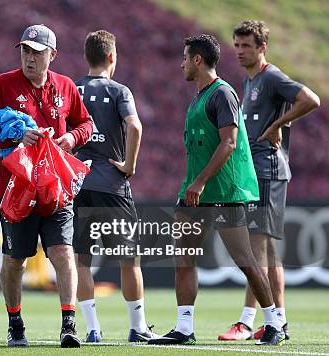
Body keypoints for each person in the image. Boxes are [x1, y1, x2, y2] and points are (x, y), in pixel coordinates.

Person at [148, 34, 285, 346]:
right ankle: (184, 328)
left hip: (223, 192)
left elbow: (229, 142)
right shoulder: (199, 96)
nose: (181, 64)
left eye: (185, 58)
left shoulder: (223, 94)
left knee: (244, 259)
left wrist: (200, 182)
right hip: (195, 192)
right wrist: (192, 185)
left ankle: (274, 323)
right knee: (184, 256)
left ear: (198, 60)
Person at [0, 24, 93, 348]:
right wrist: (14, 135)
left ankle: (69, 323)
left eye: (37, 52)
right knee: (16, 261)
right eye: (25, 51)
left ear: (52, 56)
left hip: (55, 188)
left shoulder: (67, 87)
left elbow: (86, 124)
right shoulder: (3, 84)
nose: (30, 58)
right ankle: (15, 322)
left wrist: (71, 137)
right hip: (16, 190)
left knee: (63, 252)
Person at [218, 20, 320, 342]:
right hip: (259, 170)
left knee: (255, 249)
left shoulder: (272, 77)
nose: (239, 51)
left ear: (262, 47)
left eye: (246, 45)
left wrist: (279, 123)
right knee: (270, 254)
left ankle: (248, 321)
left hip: (269, 170)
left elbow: (311, 99)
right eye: (236, 45)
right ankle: (281, 321)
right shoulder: (250, 83)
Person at [73, 30, 156, 343]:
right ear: (112, 56)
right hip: (111, 184)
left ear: (86, 57)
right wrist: (129, 165)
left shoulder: (72, 88)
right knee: (128, 258)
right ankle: (138, 328)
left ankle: (93, 330)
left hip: (78, 183)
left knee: (82, 259)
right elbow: (135, 125)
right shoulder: (119, 90)